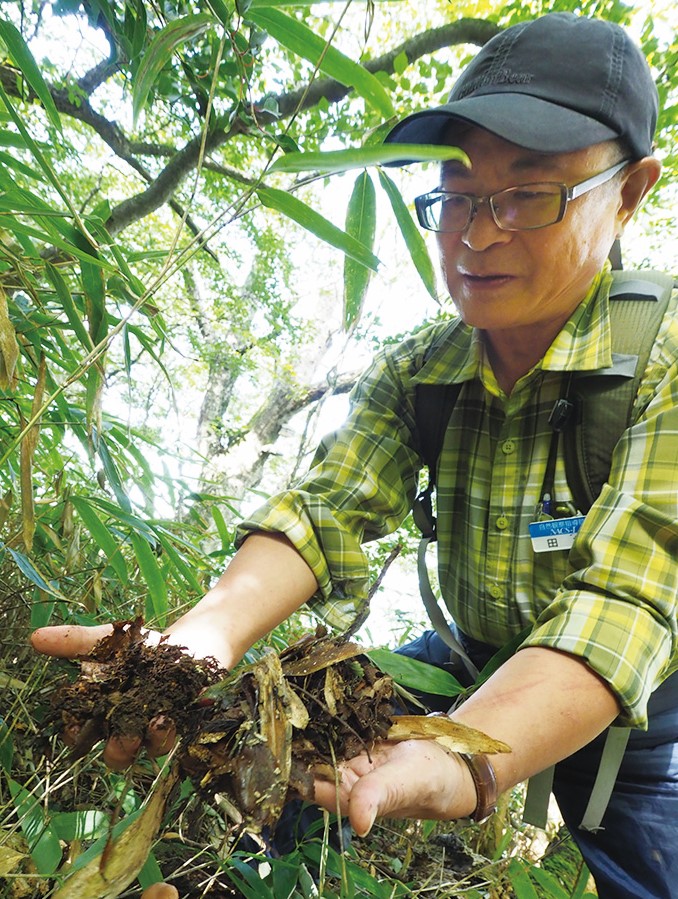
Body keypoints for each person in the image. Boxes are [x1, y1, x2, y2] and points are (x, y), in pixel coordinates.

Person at [32, 12, 677, 899]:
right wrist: (197, 643)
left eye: (528, 195)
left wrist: (468, 764)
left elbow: (627, 602)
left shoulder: (663, 361)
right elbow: (328, 506)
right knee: (297, 744)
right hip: (470, 650)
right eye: (454, 195)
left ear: (631, 190)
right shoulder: (423, 367)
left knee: (644, 873)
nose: (475, 237)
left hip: (636, 721)